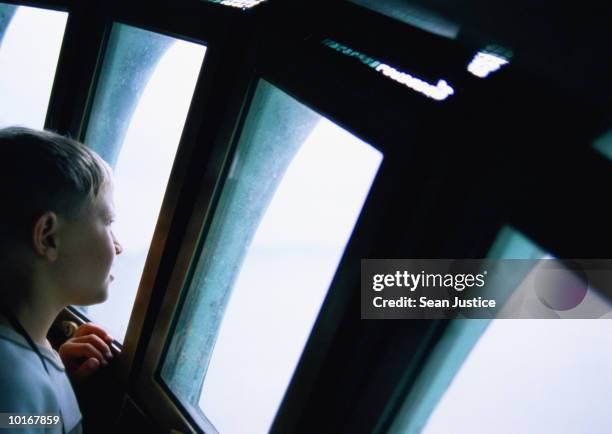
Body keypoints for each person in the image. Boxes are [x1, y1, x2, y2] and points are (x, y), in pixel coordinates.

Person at [0, 126, 123, 434]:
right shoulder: (12, 386)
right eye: (107, 222)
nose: (118, 246)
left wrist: (56, 383)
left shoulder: (23, 355)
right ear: (48, 237)